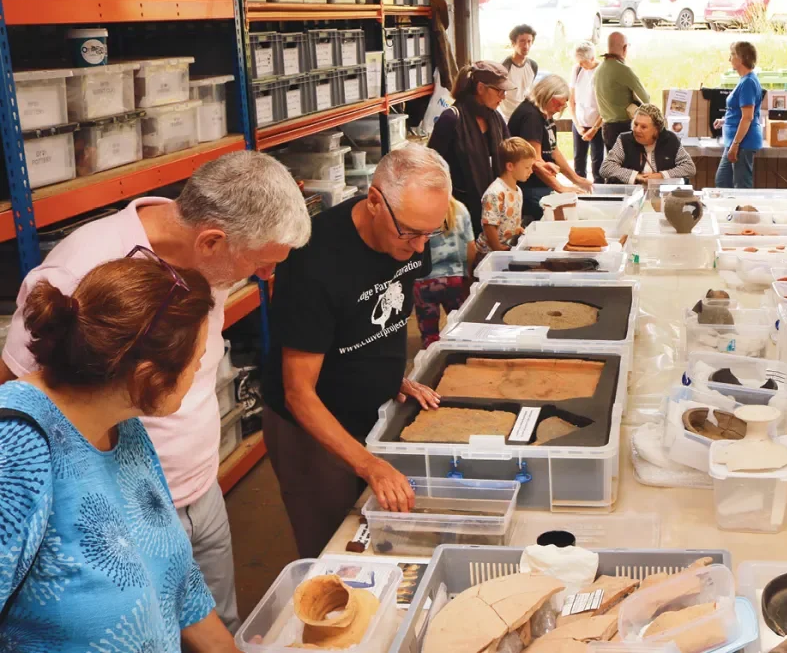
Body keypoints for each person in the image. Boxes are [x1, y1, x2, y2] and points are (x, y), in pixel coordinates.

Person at [0, 150, 309, 633]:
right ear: (212, 240)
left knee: (214, 622)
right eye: (263, 264)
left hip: (195, 486)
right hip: (111, 513)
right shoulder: (81, 272)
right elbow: (21, 390)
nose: (266, 275)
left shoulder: (212, 256)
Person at [0, 255, 240, 651]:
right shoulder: (17, 450)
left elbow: (178, 585)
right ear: (147, 376)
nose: (200, 369)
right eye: (194, 364)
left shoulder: (122, 426)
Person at [263, 144, 450, 559]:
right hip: (314, 426)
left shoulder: (413, 234)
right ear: (374, 202)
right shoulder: (313, 260)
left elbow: (372, 317)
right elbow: (299, 393)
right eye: (410, 233)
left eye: (430, 233)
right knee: (336, 548)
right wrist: (369, 464)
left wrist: (388, 376)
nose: (420, 248)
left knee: (387, 534)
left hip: (372, 409)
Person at [427, 61, 512, 236]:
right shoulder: (451, 119)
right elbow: (431, 167)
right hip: (460, 213)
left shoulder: (495, 118)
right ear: (481, 88)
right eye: (499, 91)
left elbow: (511, 153)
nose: (503, 97)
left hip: (493, 209)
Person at [508, 74, 593, 223]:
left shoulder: (545, 112)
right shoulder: (531, 116)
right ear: (546, 95)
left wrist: (576, 179)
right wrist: (560, 188)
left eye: (563, 105)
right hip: (528, 186)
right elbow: (535, 161)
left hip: (540, 184)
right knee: (567, 215)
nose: (559, 108)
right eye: (557, 104)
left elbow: (554, 151)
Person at [411, 196, 475, 347]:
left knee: (430, 335)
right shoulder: (460, 208)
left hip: (424, 280)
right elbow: (471, 247)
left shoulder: (416, 209)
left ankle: (434, 363)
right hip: (455, 278)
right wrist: (468, 273)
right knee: (462, 328)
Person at [599, 103, 696, 184]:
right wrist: (635, 176)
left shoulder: (670, 140)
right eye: (635, 124)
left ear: (656, 130)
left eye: (643, 127)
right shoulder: (624, 140)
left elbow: (689, 167)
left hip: (661, 195)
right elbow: (606, 168)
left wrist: (662, 175)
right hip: (630, 195)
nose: (637, 130)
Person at [712, 41, 763, 189]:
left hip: (742, 143)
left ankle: (744, 211)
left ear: (741, 58)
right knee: (722, 181)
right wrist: (725, 121)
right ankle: (730, 211)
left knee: (741, 185)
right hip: (734, 141)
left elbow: (747, 117)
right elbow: (739, 113)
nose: (730, 59)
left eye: (732, 55)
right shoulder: (744, 81)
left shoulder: (748, 83)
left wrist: (735, 145)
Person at [478, 137, 536, 254]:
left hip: (508, 247)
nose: (531, 171)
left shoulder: (518, 190)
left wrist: (518, 229)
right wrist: (497, 248)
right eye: (527, 167)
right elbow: (489, 225)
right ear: (510, 166)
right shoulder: (495, 192)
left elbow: (512, 219)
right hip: (489, 252)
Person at [595, 31, 651, 151]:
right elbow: (646, 99)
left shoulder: (598, 70)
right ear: (625, 48)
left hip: (606, 128)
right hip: (624, 128)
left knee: (614, 167)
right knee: (629, 168)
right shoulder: (623, 70)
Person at [570, 40, 604, 180]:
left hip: (598, 124)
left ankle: (598, 191)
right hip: (580, 122)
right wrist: (578, 126)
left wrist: (594, 129)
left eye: (583, 62)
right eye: (578, 61)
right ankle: (580, 189)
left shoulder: (601, 72)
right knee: (579, 160)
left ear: (592, 58)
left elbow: (605, 105)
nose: (580, 65)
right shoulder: (577, 69)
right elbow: (571, 100)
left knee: (598, 161)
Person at [499, 24, 538, 118]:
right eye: (522, 41)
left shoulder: (533, 66)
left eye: (529, 41)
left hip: (525, 115)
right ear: (513, 43)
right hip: (506, 117)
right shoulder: (504, 66)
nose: (526, 45)